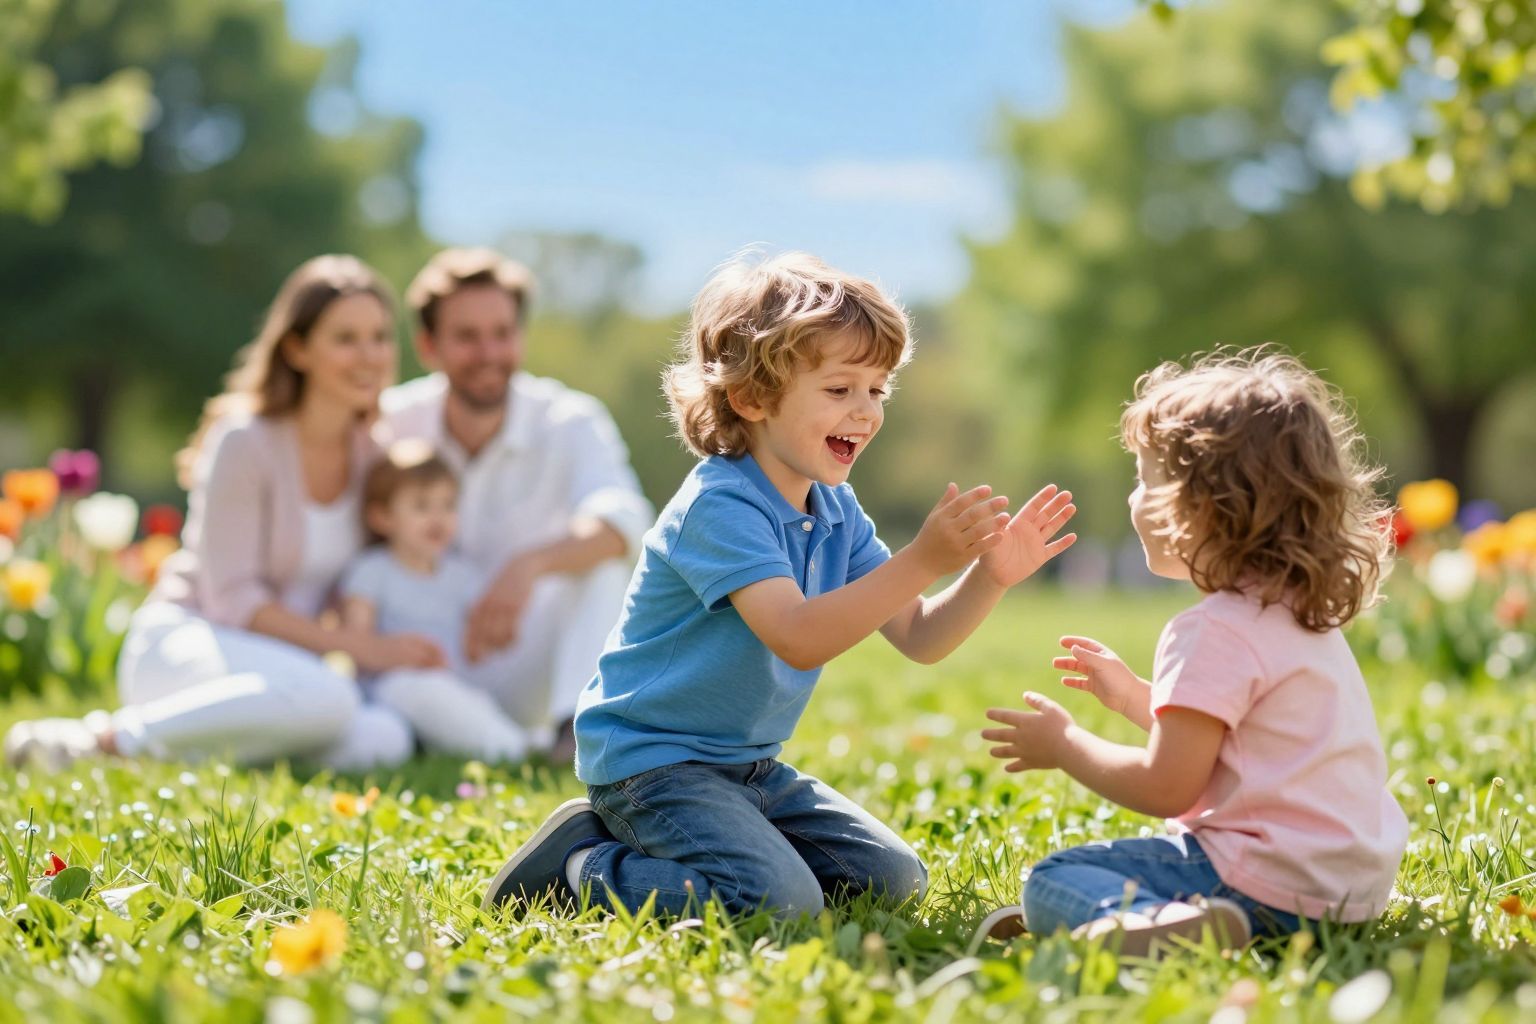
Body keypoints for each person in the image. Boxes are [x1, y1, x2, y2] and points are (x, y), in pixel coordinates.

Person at [481, 252, 1077, 919]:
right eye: (839, 389)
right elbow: (796, 636)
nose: (866, 411)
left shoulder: (834, 509)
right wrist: (922, 557)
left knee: (893, 880)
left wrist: (988, 576)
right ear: (752, 398)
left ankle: (705, 854)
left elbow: (920, 635)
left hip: (748, 769)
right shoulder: (720, 505)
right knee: (779, 905)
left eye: (877, 389)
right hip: (652, 765)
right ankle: (583, 867)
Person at [977, 349, 1409, 956]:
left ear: (1203, 503)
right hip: (1347, 894)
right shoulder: (1299, 615)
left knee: (1052, 879)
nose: (1134, 498)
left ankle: (1151, 927)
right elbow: (1238, 745)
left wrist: (1065, 746)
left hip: (1264, 884)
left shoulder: (1212, 629)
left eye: (1146, 478)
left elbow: (1168, 788)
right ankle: (1166, 923)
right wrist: (1131, 696)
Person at [5, 255, 420, 770]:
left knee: (385, 738)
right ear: (296, 348)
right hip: (189, 642)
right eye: (345, 338)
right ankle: (100, 741)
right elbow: (233, 600)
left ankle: (217, 744)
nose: (369, 356)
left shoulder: (374, 456)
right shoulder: (245, 441)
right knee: (331, 700)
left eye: (380, 337)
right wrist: (354, 647)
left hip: (287, 673)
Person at [380, 249, 653, 761]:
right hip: (425, 660)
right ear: (428, 346)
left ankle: (575, 734)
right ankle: (496, 743)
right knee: (400, 690)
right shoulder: (392, 421)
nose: (489, 352)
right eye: (467, 337)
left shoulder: (569, 419)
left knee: (601, 567)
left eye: (502, 333)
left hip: (522, 660)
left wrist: (527, 566)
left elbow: (625, 523)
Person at [338, 441, 531, 761]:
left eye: (448, 505)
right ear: (382, 517)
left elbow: (477, 644)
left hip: (449, 684)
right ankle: (509, 748)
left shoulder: (462, 575)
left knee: (465, 699)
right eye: (422, 506)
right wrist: (397, 655)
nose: (437, 518)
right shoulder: (372, 571)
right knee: (413, 689)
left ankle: (508, 739)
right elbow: (358, 645)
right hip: (389, 688)